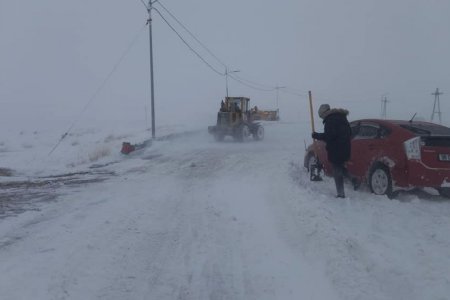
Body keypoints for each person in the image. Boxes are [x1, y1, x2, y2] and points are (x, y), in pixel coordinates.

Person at [312, 104, 357, 198]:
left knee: (336, 171)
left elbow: (329, 136)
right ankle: (353, 179)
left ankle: (341, 194)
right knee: (339, 166)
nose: (322, 118)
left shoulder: (330, 120)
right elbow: (350, 132)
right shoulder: (342, 117)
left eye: (321, 116)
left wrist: (317, 136)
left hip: (336, 149)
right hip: (345, 148)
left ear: (324, 113)